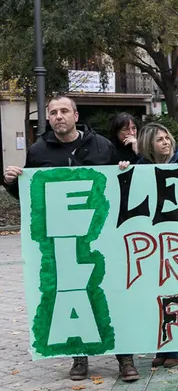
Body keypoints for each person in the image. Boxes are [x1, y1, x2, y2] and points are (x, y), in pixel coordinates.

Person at [2, 96, 139, 382]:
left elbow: (126, 185)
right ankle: (79, 357)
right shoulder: (38, 151)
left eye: (64, 111)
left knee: (113, 293)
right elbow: (32, 198)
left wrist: (128, 166)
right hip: (64, 239)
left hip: (103, 236)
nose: (58, 116)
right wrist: (12, 184)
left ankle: (125, 357)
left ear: (76, 115)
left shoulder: (102, 146)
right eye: (53, 112)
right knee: (73, 293)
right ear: (48, 118)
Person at [119, 122, 178, 368]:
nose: (166, 142)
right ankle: (161, 347)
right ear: (150, 144)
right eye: (160, 139)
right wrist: (124, 171)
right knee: (155, 295)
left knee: (175, 293)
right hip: (154, 240)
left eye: (167, 137)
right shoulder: (142, 168)